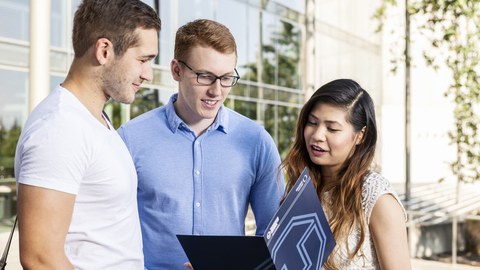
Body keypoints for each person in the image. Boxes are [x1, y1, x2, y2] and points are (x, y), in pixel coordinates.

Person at [118, 19, 284, 269]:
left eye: (227, 78)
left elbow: (275, 238)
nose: (217, 91)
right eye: (205, 77)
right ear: (176, 71)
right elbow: (114, 231)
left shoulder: (257, 142)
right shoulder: (130, 139)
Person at [14, 1, 161, 269]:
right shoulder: (60, 128)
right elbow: (40, 259)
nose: (148, 74)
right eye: (143, 60)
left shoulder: (95, 121)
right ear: (104, 50)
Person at [281, 79, 411, 269]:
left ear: (361, 135)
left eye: (332, 128)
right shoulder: (301, 186)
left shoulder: (377, 199)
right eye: (312, 122)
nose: (317, 135)